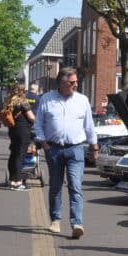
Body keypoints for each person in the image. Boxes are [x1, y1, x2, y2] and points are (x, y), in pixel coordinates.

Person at [33, 67, 98, 238]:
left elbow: (89, 126)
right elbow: (38, 124)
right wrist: (45, 145)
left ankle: (77, 223)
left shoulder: (82, 100)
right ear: (61, 83)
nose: (76, 85)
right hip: (53, 148)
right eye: (72, 82)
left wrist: (94, 146)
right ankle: (55, 220)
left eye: (76, 82)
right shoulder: (47, 99)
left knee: (75, 186)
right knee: (55, 186)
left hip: (75, 149)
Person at [5, 83, 36, 190]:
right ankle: (17, 182)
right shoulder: (22, 101)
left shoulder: (9, 100)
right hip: (23, 130)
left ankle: (11, 179)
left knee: (13, 154)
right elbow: (31, 117)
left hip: (12, 130)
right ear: (23, 91)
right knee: (20, 155)